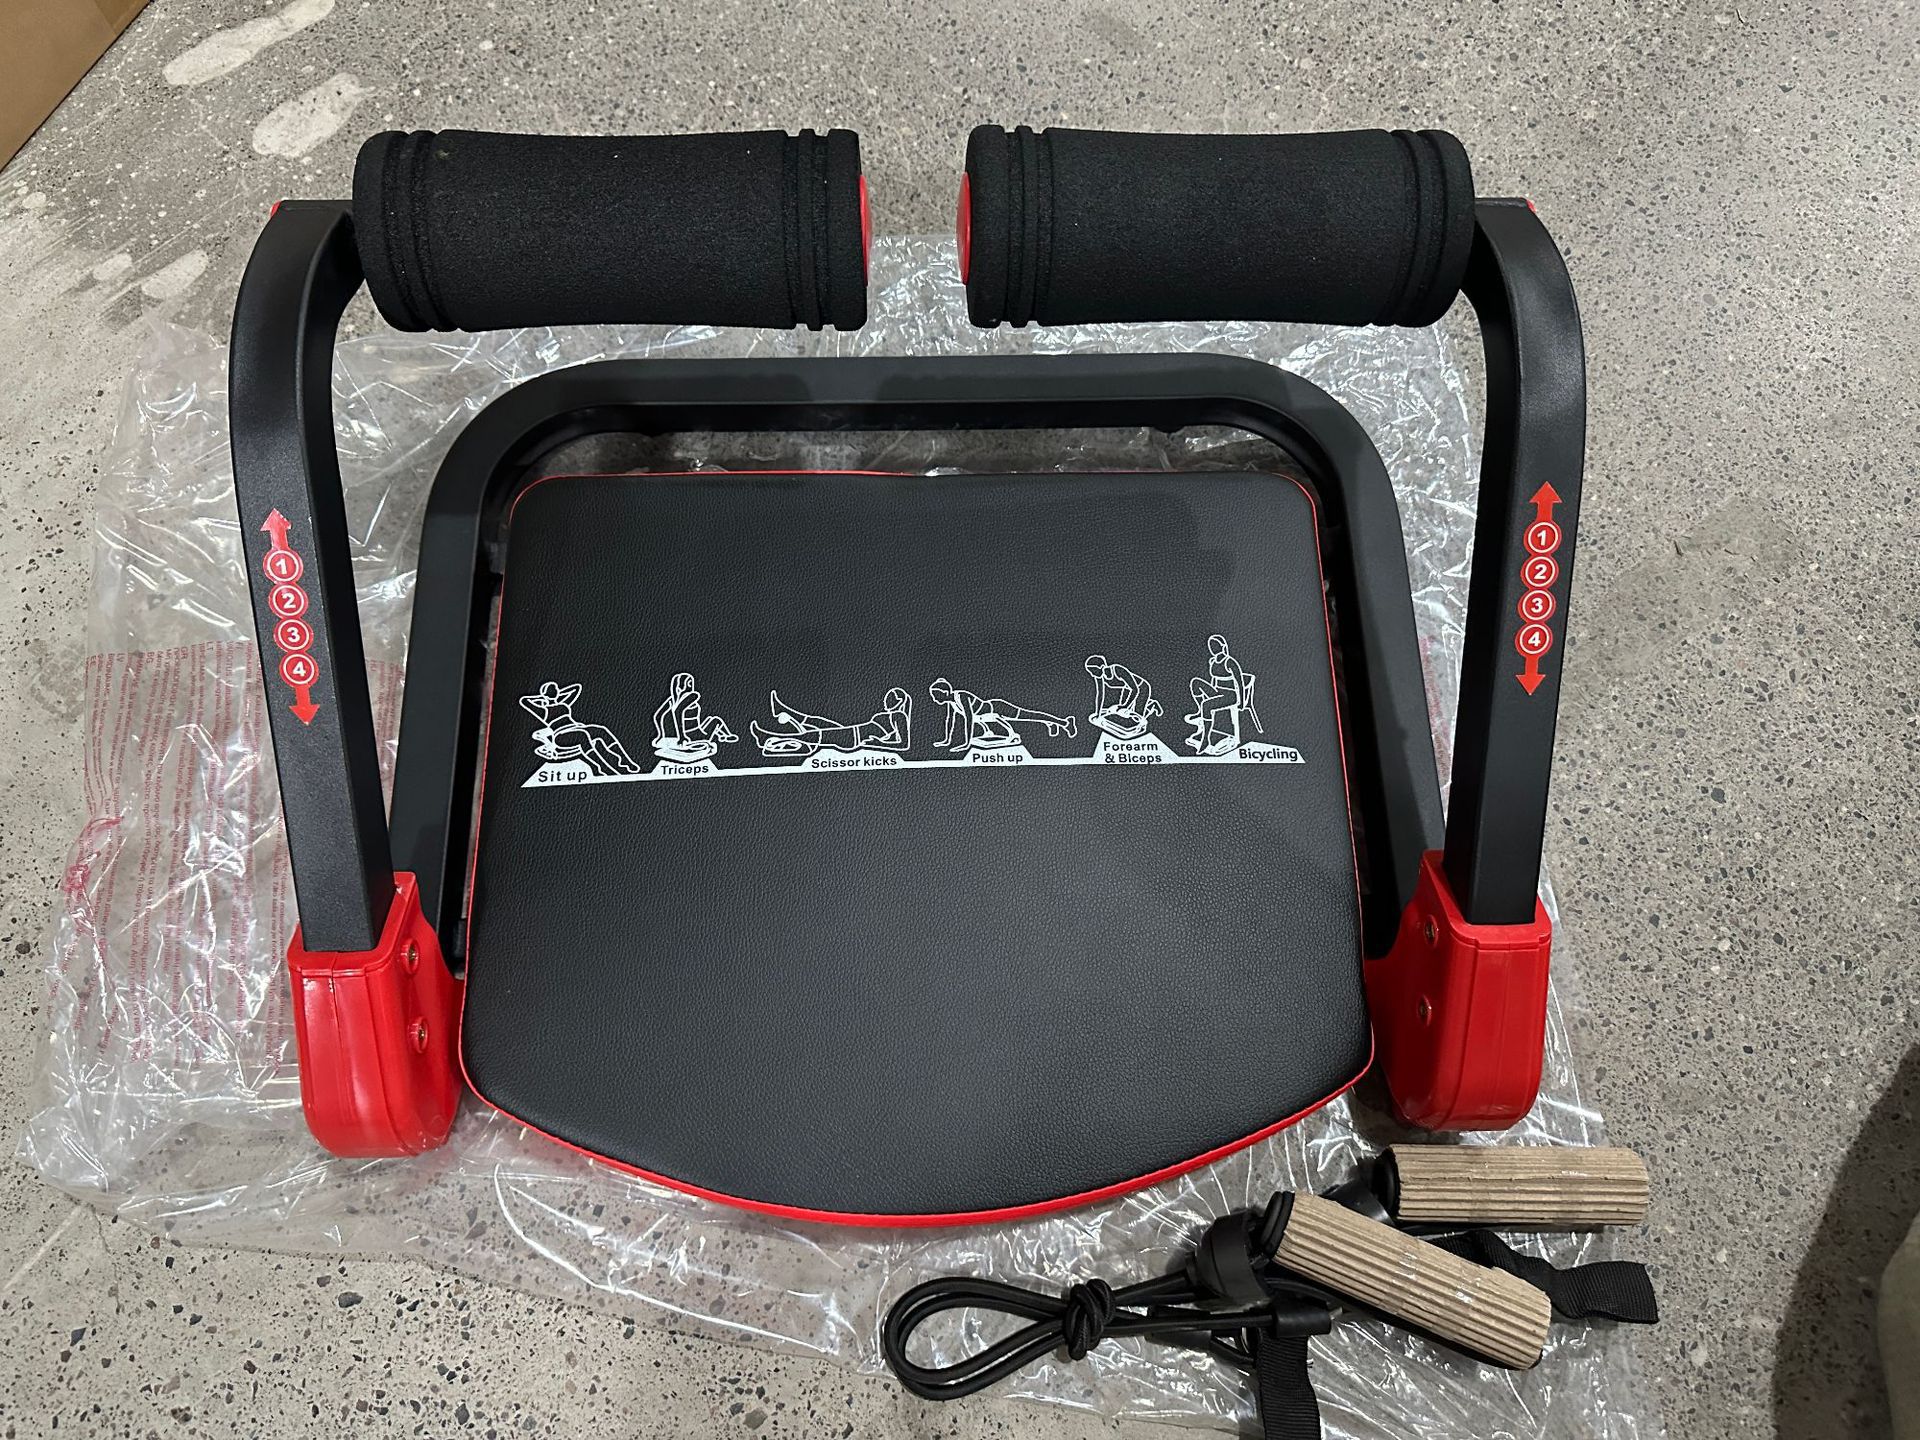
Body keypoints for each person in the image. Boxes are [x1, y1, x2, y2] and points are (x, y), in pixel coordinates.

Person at [752, 687, 912, 756]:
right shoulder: (889, 715)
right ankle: (782, 709)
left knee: (815, 734)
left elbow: (903, 745)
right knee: (819, 721)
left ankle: (768, 738)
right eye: (886, 698)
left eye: (890, 698)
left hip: (854, 739)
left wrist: (875, 743)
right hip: (851, 732)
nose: (886, 701)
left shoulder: (899, 716)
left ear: (899, 701)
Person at [929, 677, 1076, 751]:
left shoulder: (962, 696)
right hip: (986, 716)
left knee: (1029, 715)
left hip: (998, 708)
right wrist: (946, 741)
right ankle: (1050, 723)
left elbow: (969, 719)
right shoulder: (951, 702)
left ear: (945, 692)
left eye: (936, 695)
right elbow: (950, 720)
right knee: (1030, 716)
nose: (935, 699)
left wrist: (966, 744)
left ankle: (1065, 723)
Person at [1184, 635, 1262, 756]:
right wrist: (1210, 692)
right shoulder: (1212, 661)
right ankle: (1201, 713)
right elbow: (1213, 680)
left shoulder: (1229, 662)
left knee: (1206, 705)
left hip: (1231, 695)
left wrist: (1241, 702)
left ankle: (1206, 739)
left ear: (1222, 646)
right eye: (1211, 646)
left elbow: (1240, 683)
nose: (1212, 648)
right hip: (1218, 691)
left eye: (1215, 645)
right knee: (1195, 683)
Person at [652, 671, 738, 761]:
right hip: (696, 735)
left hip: (690, 733)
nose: (692, 686)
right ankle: (727, 735)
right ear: (686, 684)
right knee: (716, 720)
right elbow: (678, 711)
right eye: (690, 683)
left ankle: (722, 736)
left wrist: (660, 735)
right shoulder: (693, 695)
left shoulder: (672, 699)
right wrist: (682, 736)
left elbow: (658, 716)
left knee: (709, 719)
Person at [1084, 654, 1162, 740]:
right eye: (1090, 672)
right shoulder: (1099, 676)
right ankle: (1147, 704)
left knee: (1136, 718)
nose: (1092, 674)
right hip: (1127, 689)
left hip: (1141, 687)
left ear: (1102, 667)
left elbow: (1135, 689)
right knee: (1123, 714)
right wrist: (1098, 714)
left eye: (1093, 671)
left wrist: (1125, 706)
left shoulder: (1117, 670)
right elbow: (1100, 694)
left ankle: (1152, 705)